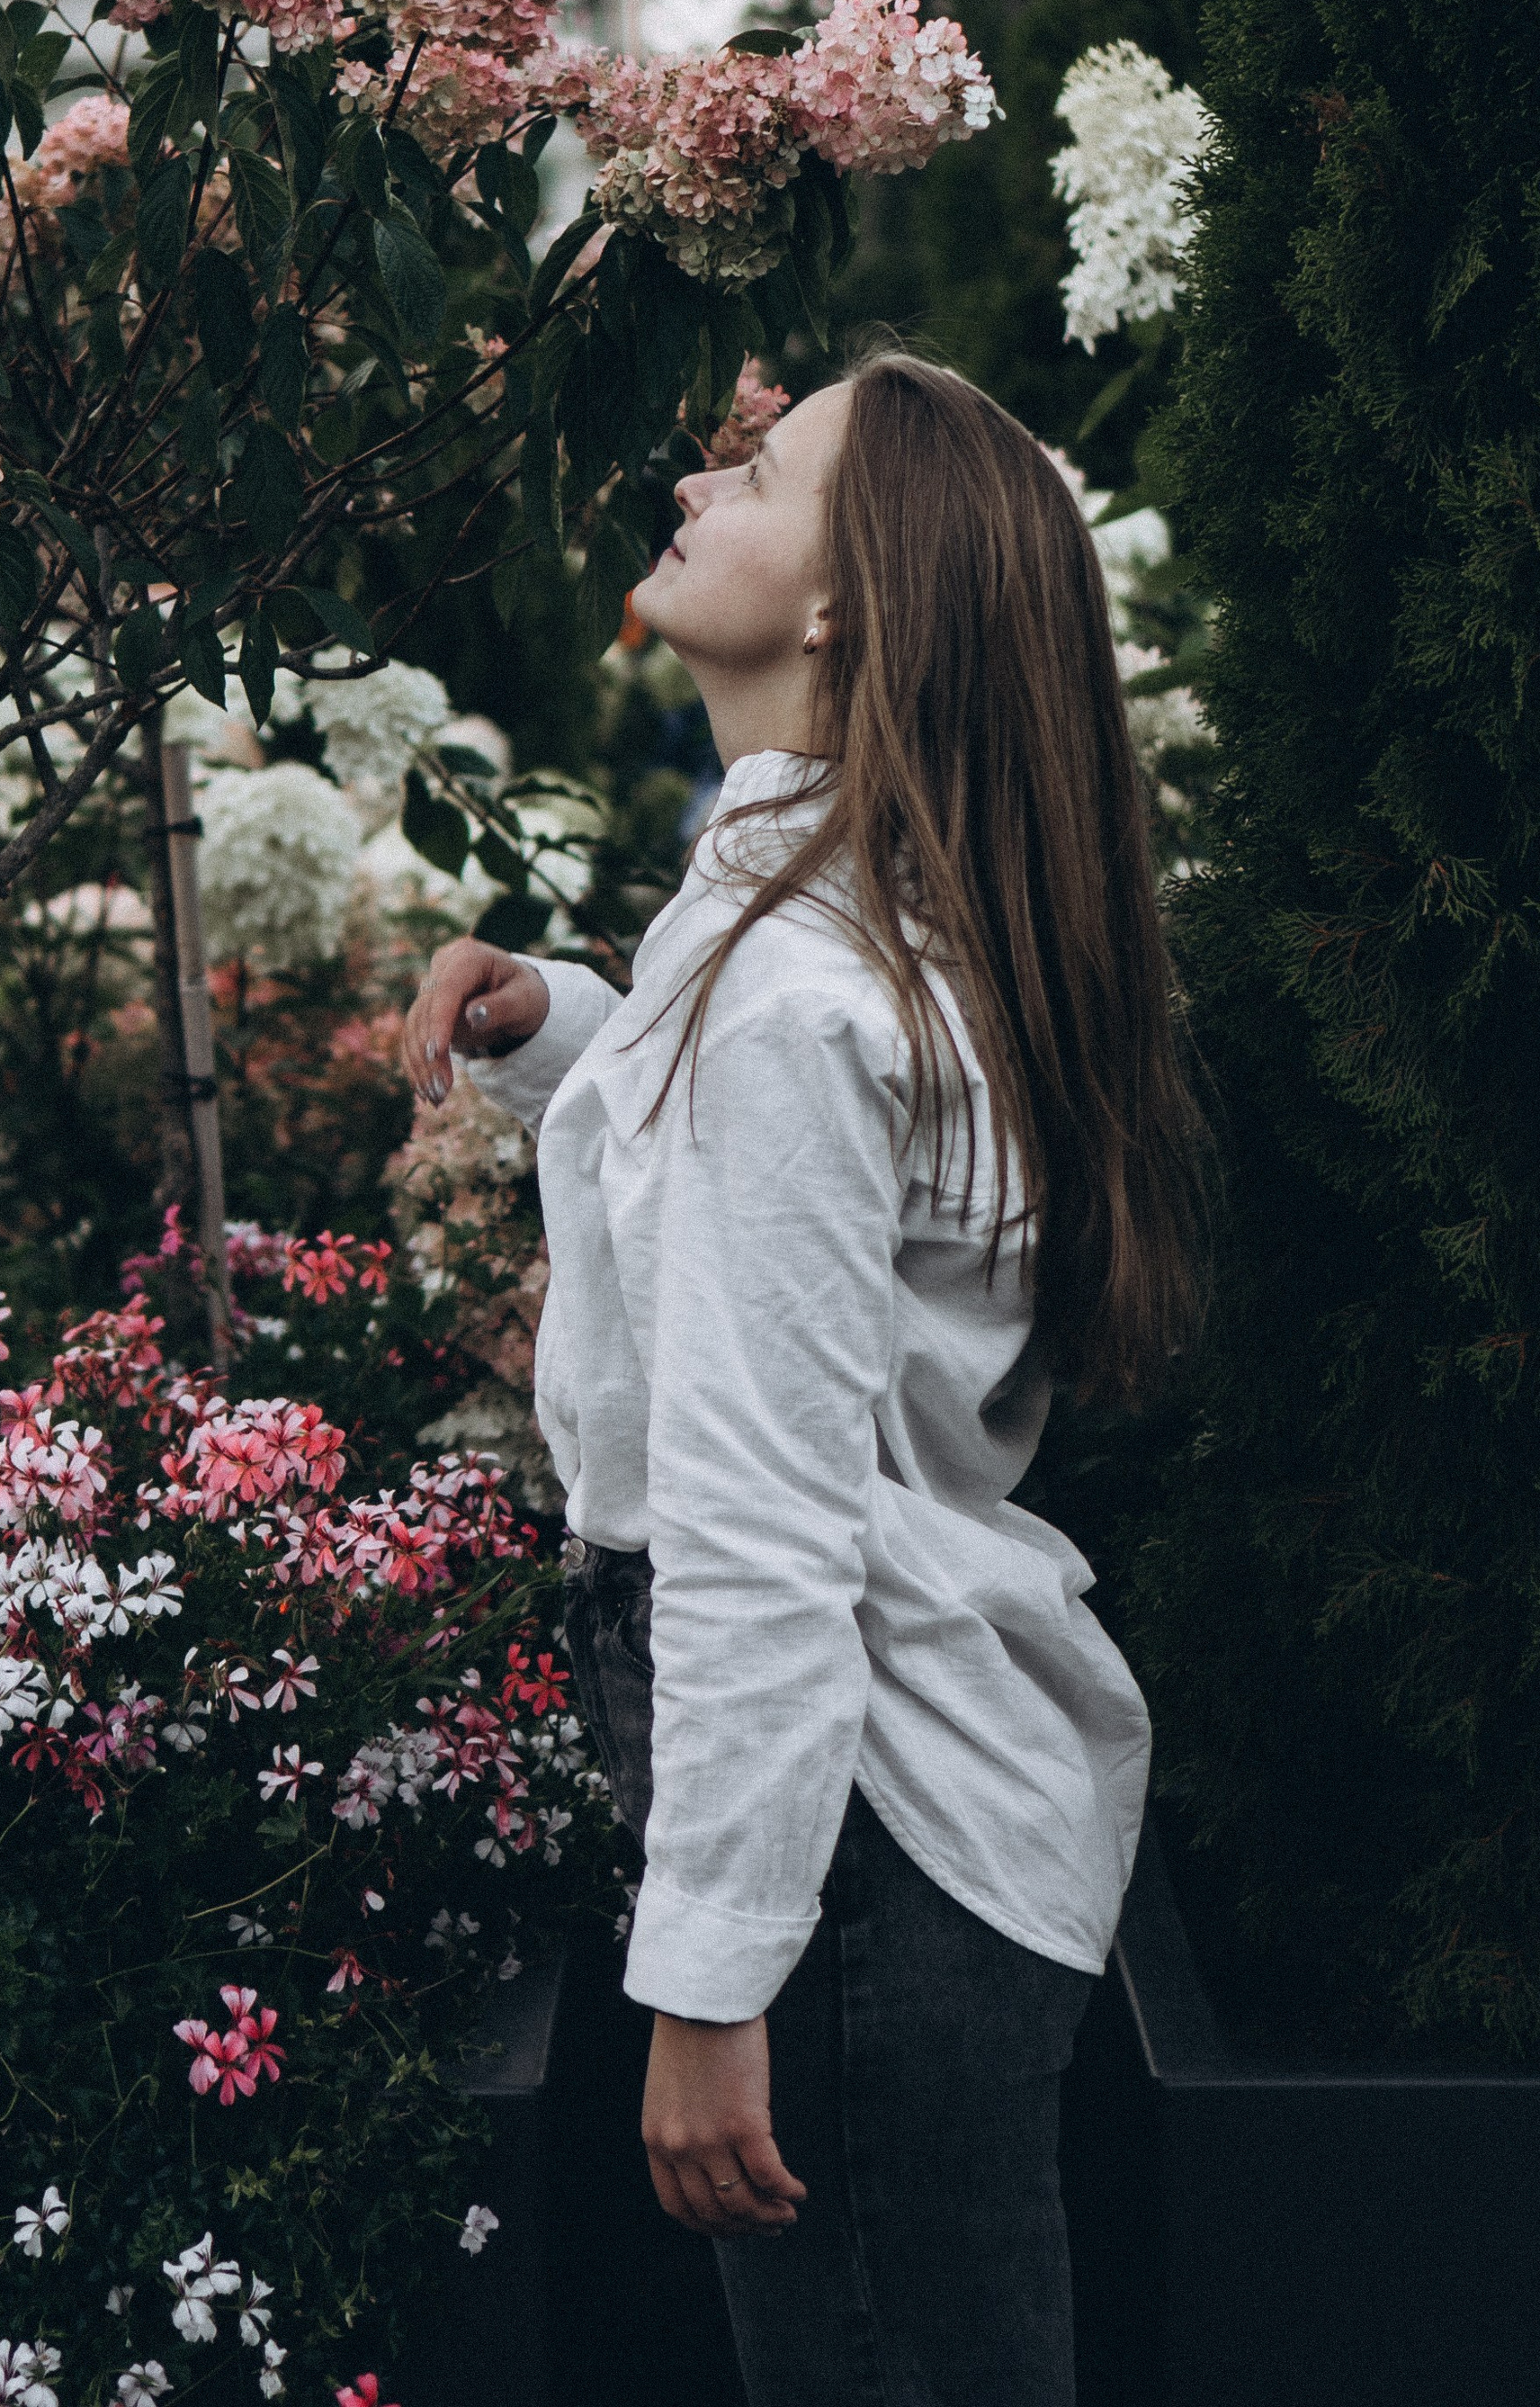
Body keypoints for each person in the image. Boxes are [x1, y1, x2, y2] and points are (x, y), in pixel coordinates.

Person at [403, 351, 1199, 2407]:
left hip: (844, 1853)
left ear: (844, 602)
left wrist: (708, 1977)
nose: (689, 474)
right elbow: (822, 1190)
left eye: (751, 471)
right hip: (924, 1831)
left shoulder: (787, 980)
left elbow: (756, 1525)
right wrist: (565, 1029)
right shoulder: (853, 913)